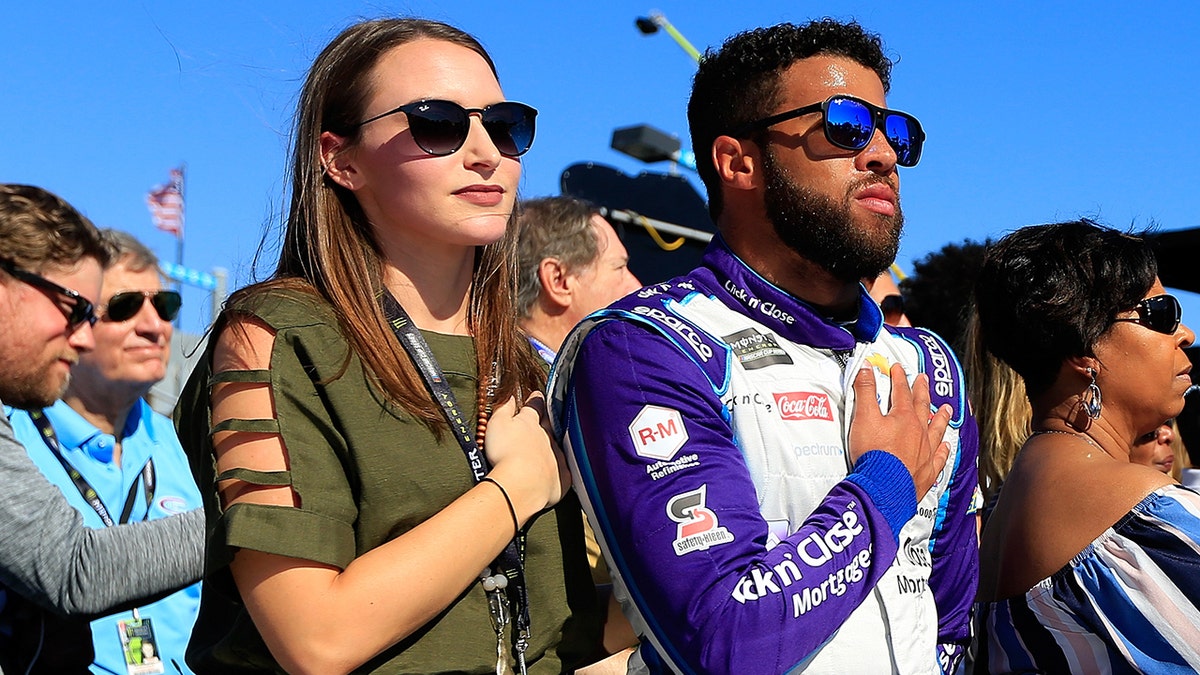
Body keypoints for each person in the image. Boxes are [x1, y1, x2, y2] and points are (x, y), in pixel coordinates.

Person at [548, 19, 978, 674]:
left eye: (895, 132)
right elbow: (722, 639)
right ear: (737, 162)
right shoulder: (645, 347)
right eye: (844, 126)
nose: (883, 154)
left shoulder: (930, 367)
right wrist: (884, 485)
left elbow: (948, 621)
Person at [174, 18, 601, 674]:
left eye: (505, 124)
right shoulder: (276, 337)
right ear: (341, 160)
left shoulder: (525, 366)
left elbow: (559, 631)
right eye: (438, 122)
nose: (486, 151)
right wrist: (517, 486)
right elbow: (316, 639)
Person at [974, 220, 1200, 673]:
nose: (1185, 334)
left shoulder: (1000, 511)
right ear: (1083, 348)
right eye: (1160, 313)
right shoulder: (1144, 517)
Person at [0, 184, 203, 673]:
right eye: (80, 309)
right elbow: (75, 570)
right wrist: (261, 515)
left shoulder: (189, 442)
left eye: (168, 305)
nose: (155, 326)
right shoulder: (18, 430)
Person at [515, 197, 641, 364]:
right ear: (558, 280)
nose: (637, 287)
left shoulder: (497, 370)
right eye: (618, 268)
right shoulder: (511, 384)